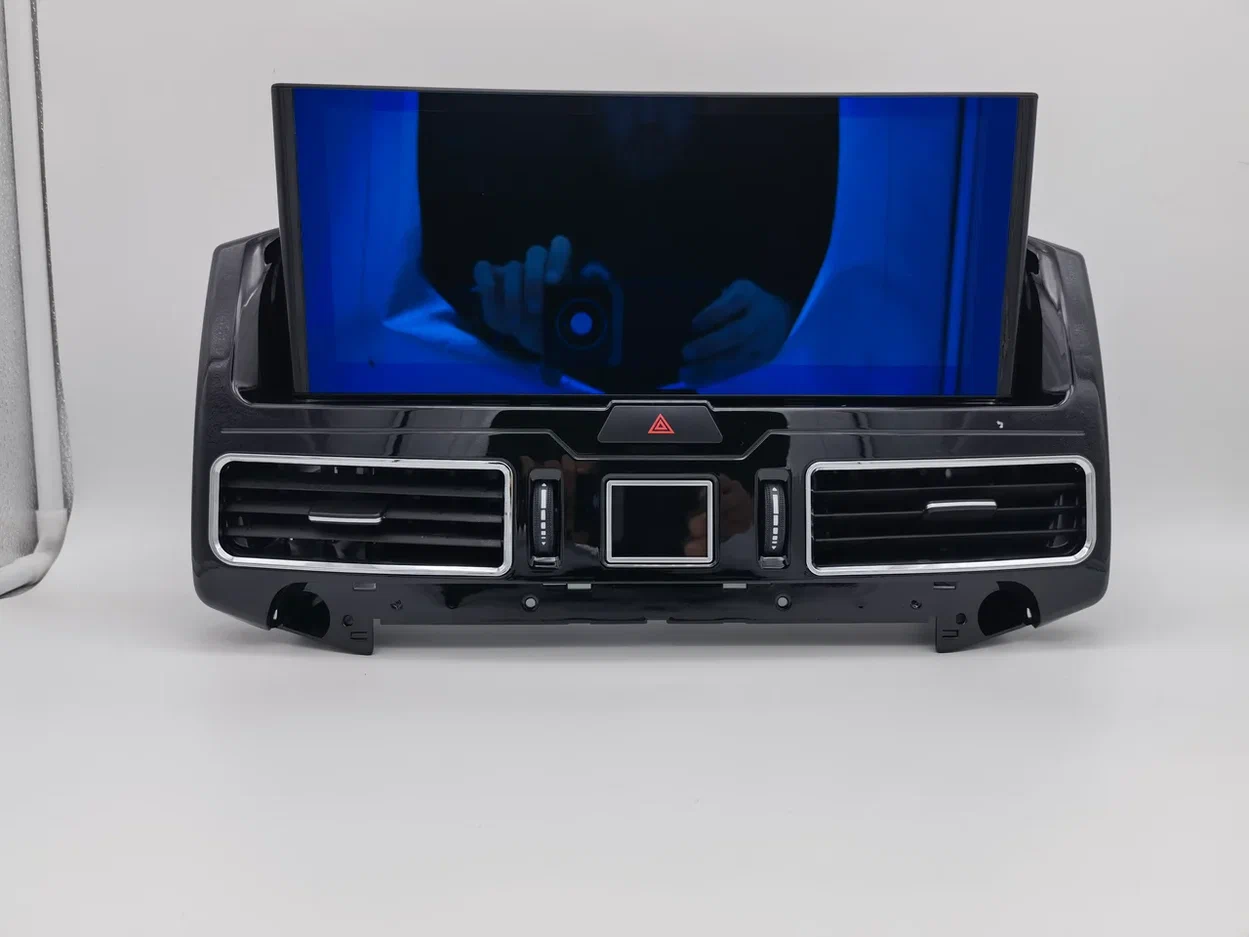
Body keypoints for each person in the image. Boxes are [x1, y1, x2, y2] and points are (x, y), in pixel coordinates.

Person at [388, 93, 838, 393]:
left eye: (671, 96)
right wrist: (502, 327)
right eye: (626, 96)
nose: (648, 117)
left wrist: (786, 323)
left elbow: (830, 296)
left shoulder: (757, 193)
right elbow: (445, 306)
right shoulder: (528, 189)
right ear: (592, 100)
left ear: (703, 100)